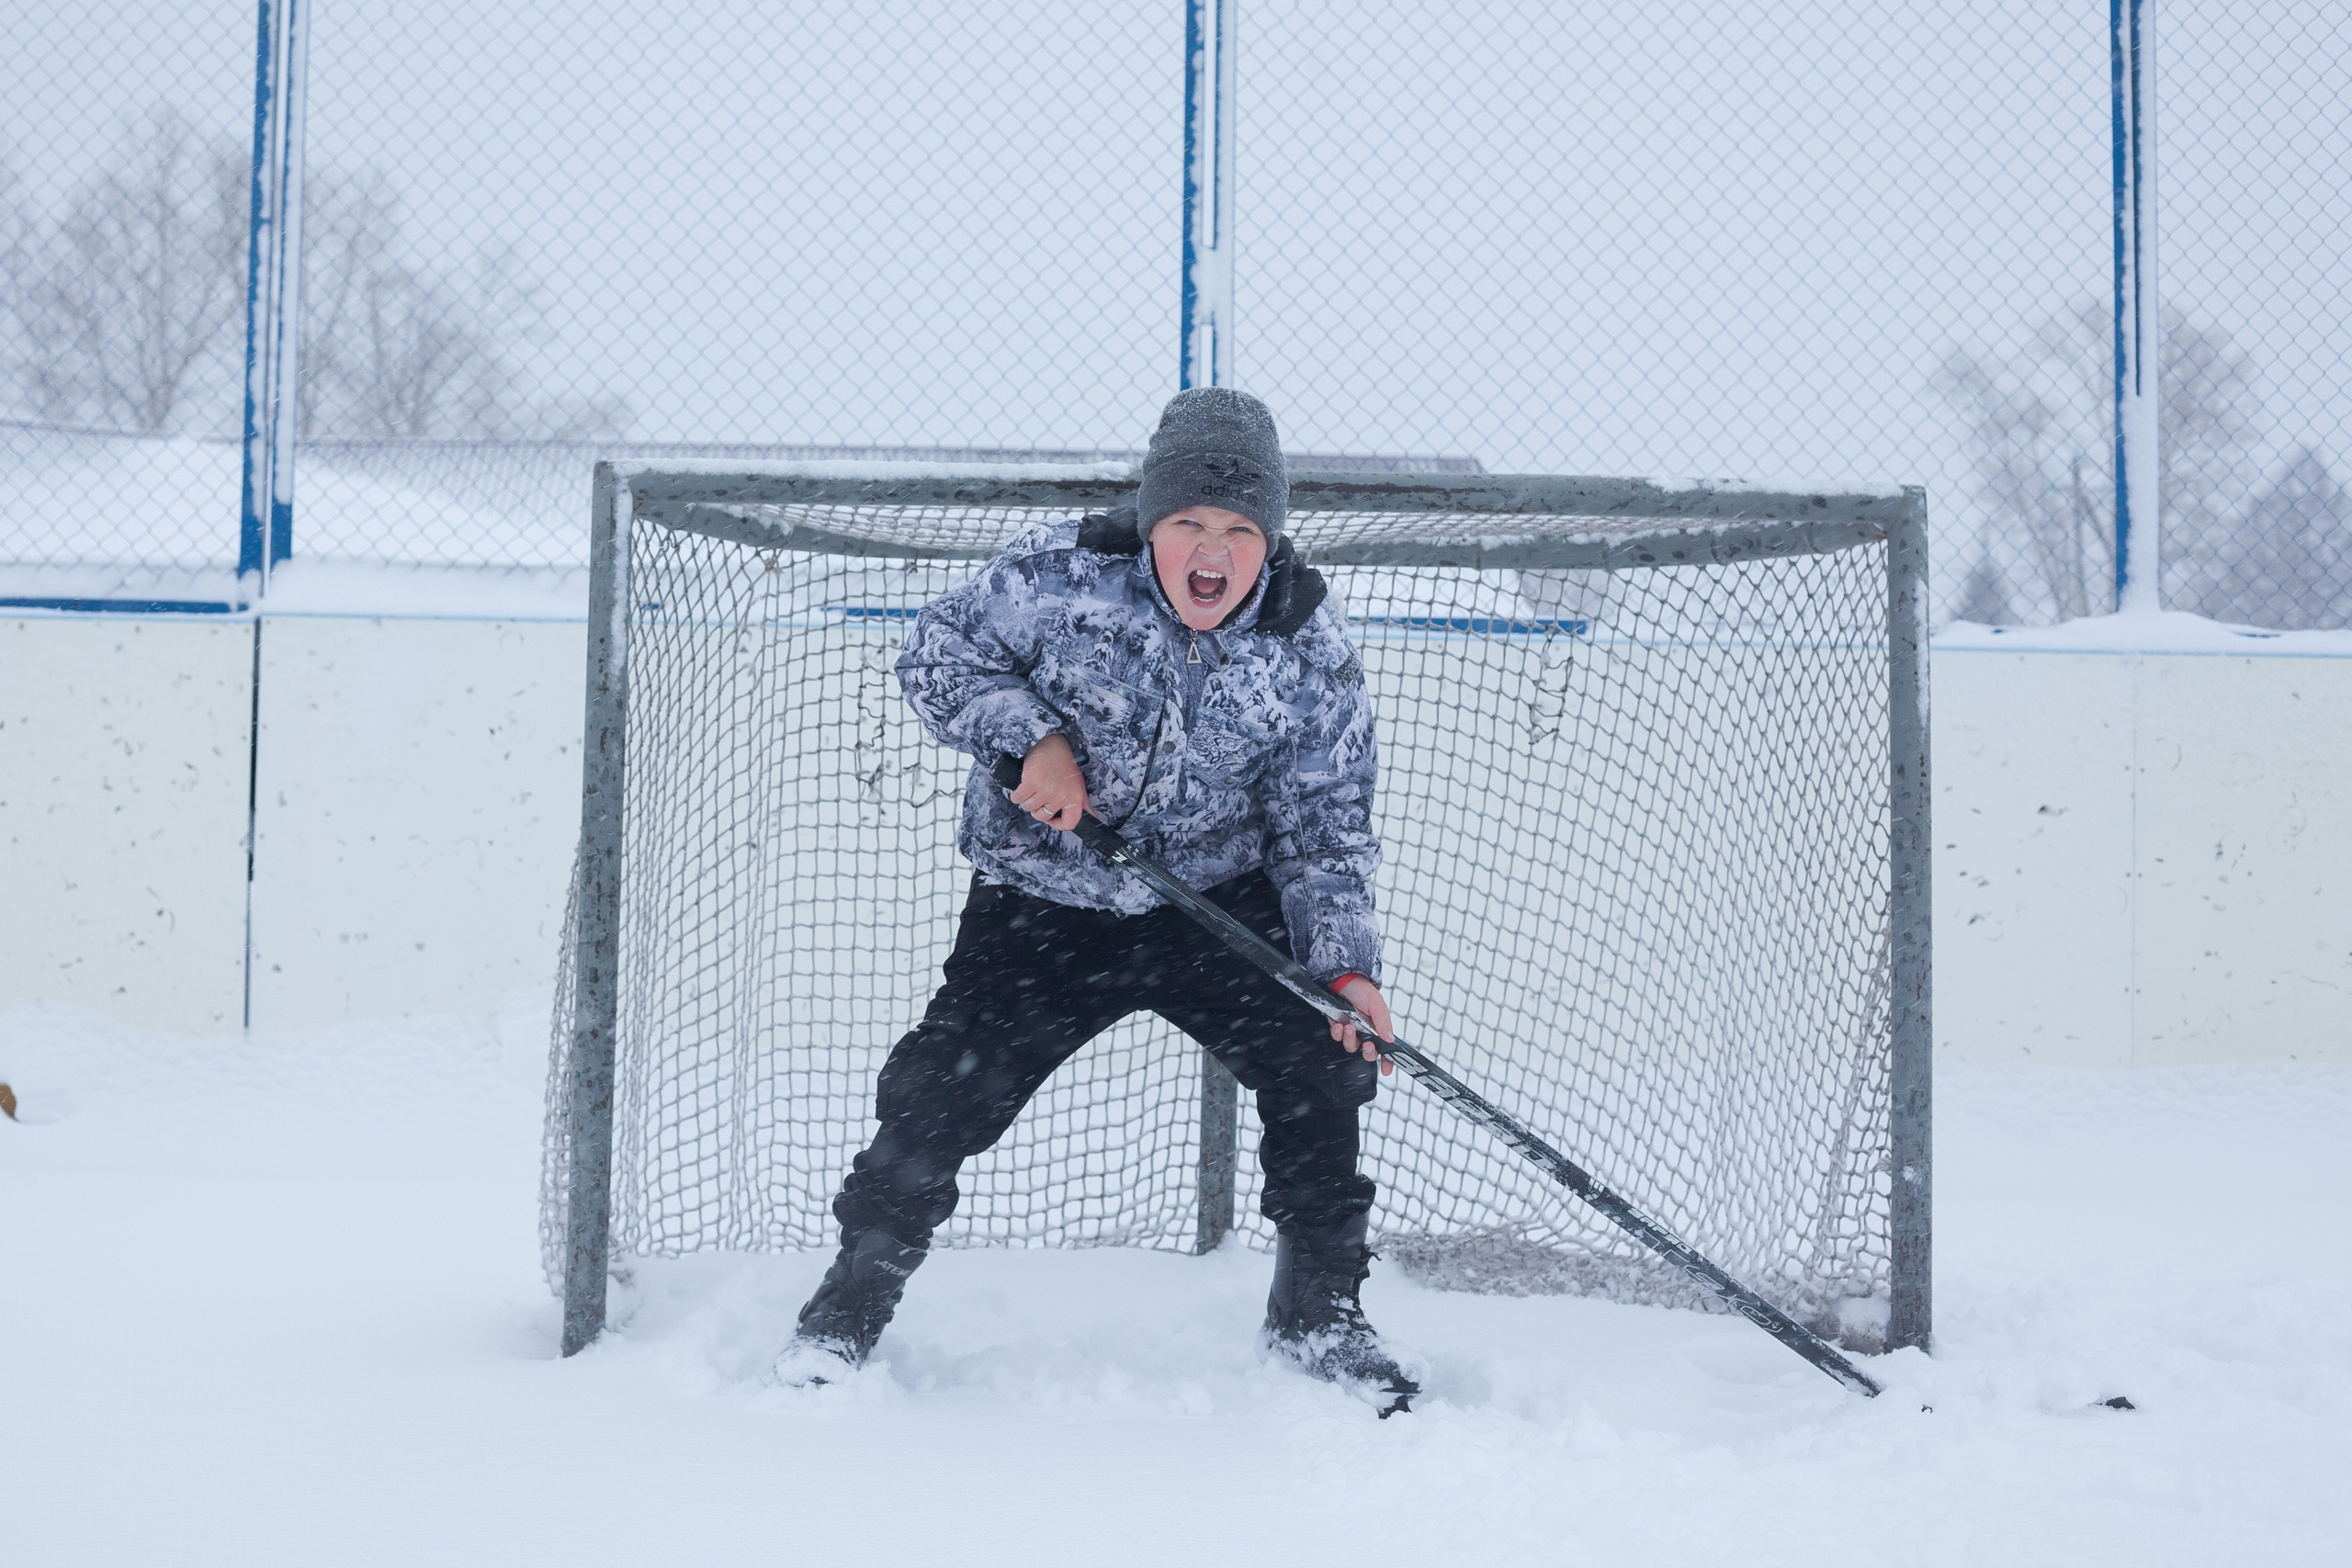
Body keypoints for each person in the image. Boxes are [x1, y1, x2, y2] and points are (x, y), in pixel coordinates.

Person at [776, 387, 1418, 1410]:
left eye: (1241, 530)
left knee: (1319, 1065)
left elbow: (1325, 825)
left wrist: (1344, 967)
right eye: (1187, 524)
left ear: (1270, 538)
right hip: (1044, 904)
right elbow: (936, 653)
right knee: (939, 1092)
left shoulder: (1307, 643)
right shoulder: (1054, 573)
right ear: (1150, 521)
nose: (1212, 551)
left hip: (1213, 905)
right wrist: (1029, 738)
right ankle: (848, 1305)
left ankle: (1318, 1316)